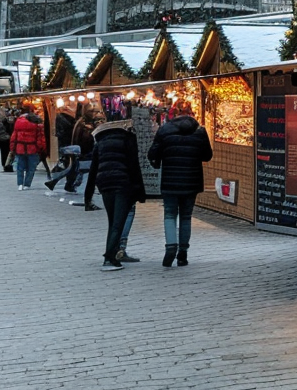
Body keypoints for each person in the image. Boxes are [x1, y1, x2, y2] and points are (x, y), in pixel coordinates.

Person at [147, 106, 213, 268]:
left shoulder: (164, 131)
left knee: (169, 214)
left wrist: (160, 161)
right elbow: (207, 156)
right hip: (192, 181)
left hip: (170, 181)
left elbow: (152, 154)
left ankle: (171, 246)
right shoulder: (199, 132)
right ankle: (183, 253)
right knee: (186, 216)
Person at [83, 119, 147, 272]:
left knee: (113, 221)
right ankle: (109, 258)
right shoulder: (127, 139)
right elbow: (134, 165)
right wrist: (140, 190)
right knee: (118, 223)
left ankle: (112, 255)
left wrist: (88, 195)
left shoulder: (101, 142)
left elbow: (93, 169)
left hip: (105, 184)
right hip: (122, 183)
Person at [11, 106, 46, 189]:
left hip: (20, 148)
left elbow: (14, 137)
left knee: (20, 167)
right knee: (31, 168)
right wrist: (42, 148)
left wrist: (12, 148)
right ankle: (27, 184)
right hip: (33, 148)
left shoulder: (18, 123)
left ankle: (20, 184)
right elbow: (40, 138)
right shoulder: (37, 125)